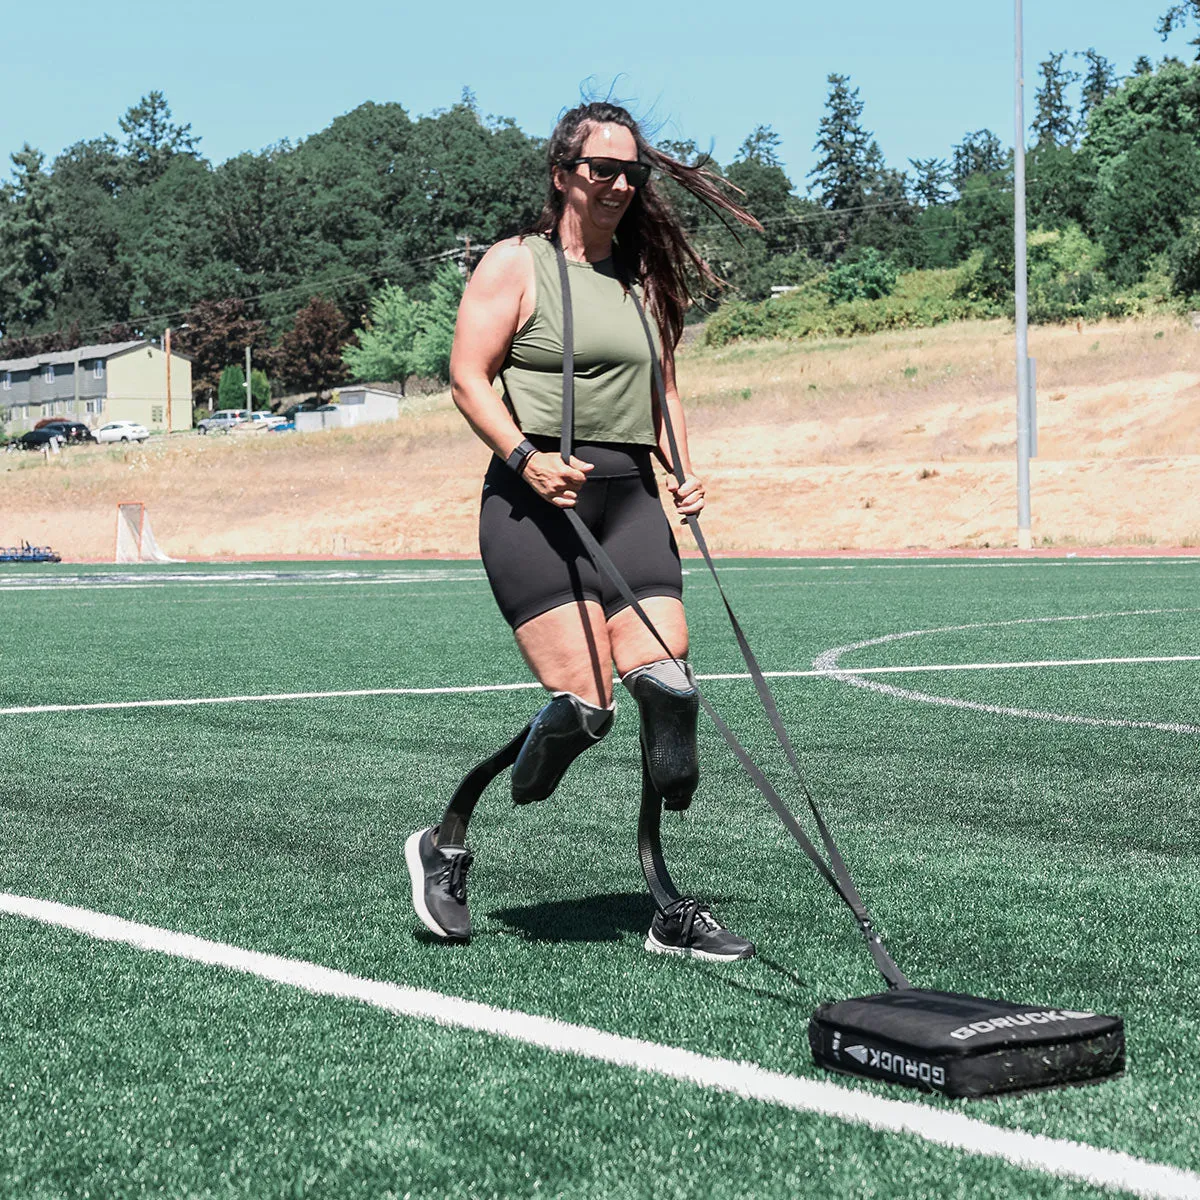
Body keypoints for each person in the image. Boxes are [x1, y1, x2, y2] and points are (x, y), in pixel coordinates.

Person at [406, 101, 763, 961]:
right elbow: (466, 377)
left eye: (631, 173)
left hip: (632, 494)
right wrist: (526, 456)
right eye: (602, 169)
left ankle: (667, 904)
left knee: (669, 692)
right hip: (537, 505)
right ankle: (444, 839)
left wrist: (682, 465)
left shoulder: (641, 276)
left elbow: (662, 387)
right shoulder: (515, 265)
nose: (618, 186)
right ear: (564, 173)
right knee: (586, 708)